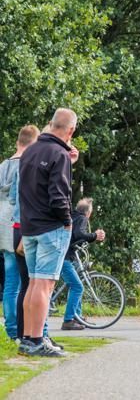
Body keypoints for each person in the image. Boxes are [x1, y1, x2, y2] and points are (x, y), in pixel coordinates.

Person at [18, 109, 80, 357]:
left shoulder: (30, 150)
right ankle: (37, 339)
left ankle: (28, 338)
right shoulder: (59, 154)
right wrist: (67, 221)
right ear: (71, 130)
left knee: (33, 284)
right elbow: (58, 195)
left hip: (30, 226)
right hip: (51, 228)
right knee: (44, 285)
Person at [0, 124, 40, 340]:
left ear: (18, 141)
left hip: (1, 224)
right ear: (33, 143)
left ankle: (10, 330)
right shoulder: (25, 165)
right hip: (17, 224)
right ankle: (19, 330)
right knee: (23, 281)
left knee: (10, 282)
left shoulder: (3, 165)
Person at [60, 198, 106, 330]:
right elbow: (79, 234)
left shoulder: (73, 216)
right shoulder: (82, 218)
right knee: (78, 287)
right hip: (65, 257)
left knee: (75, 285)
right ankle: (68, 320)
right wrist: (94, 236)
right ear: (88, 213)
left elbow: (75, 236)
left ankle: (77, 316)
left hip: (66, 255)